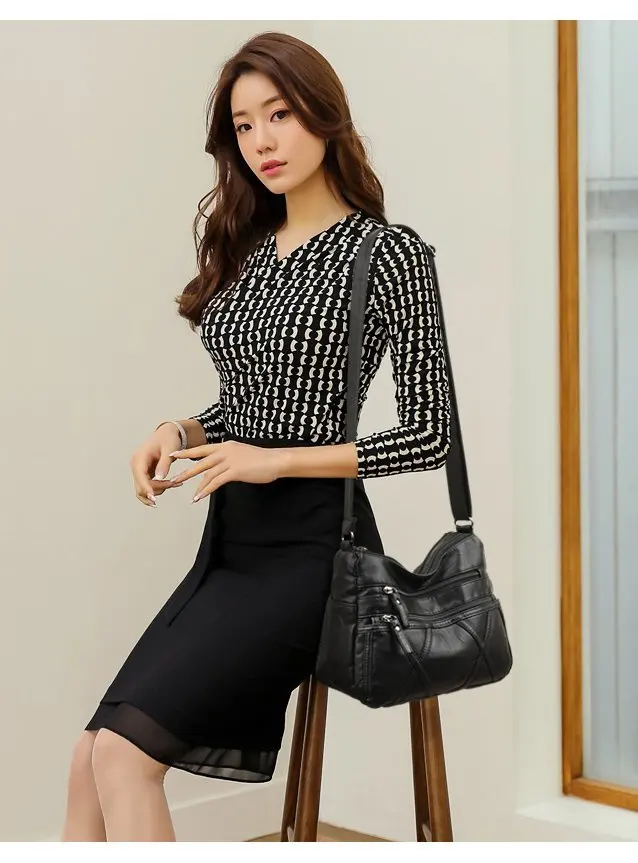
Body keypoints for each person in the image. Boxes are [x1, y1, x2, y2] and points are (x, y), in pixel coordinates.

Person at [61, 30, 452, 842]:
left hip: (316, 552)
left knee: (124, 756)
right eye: (243, 125)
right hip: (230, 545)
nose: (262, 140)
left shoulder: (389, 255)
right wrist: (178, 428)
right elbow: (250, 404)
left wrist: (274, 463)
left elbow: (428, 433)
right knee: (89, 755)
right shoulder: (251, 252)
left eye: (279, 114)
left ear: (325, 114)